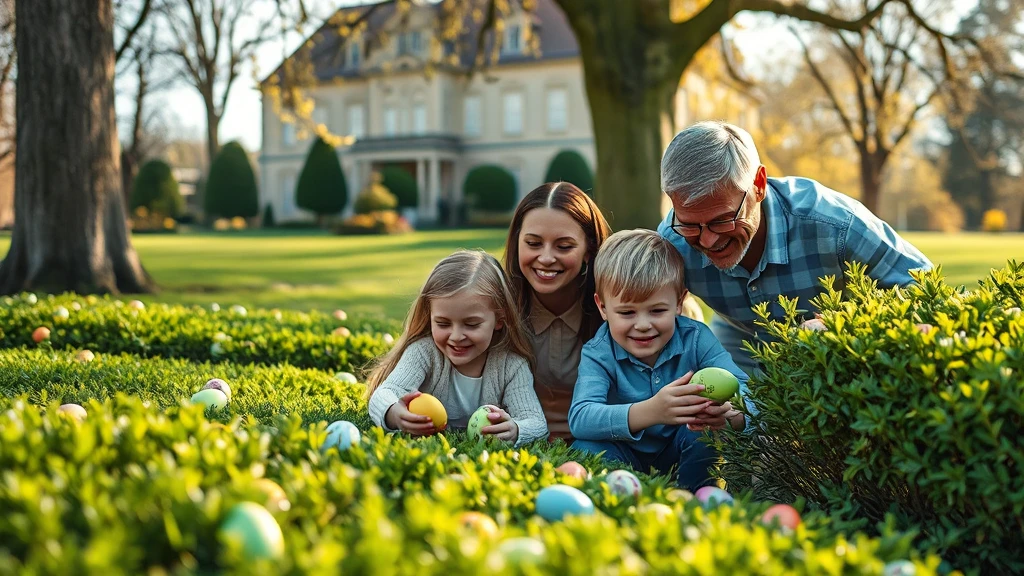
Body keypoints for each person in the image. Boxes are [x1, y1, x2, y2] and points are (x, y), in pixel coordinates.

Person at [658, 121, 933, 375]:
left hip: (841, 362)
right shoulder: (671, 241)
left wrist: (848, 323)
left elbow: (926, 289)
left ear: (759, 185)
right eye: (690, 224)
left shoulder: (835, 224)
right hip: (740, 345)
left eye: (723, 220)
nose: (707, 241)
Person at [568, 229, 749, 490]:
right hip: (623, 454)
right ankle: (618, 498)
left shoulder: (696, 339)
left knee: (705, 434)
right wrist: (653, 411)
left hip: (681, 452)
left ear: (679, 302)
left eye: (657, 310)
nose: (643, 325)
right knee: (586, 447)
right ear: (603, 307)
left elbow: (743, 387)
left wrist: (730, 413)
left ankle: (695, 496)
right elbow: (581, 417)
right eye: (627, 312)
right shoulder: (599, 352)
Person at [366, 250, 548, 446]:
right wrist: (395, 413)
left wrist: (516, 430)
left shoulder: (511, 366)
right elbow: (386, 392)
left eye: (471, 324)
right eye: (443, 324)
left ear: (499, 320)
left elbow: (537, 423)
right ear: (430, 316)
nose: (456, 337)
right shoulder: (424, 352)